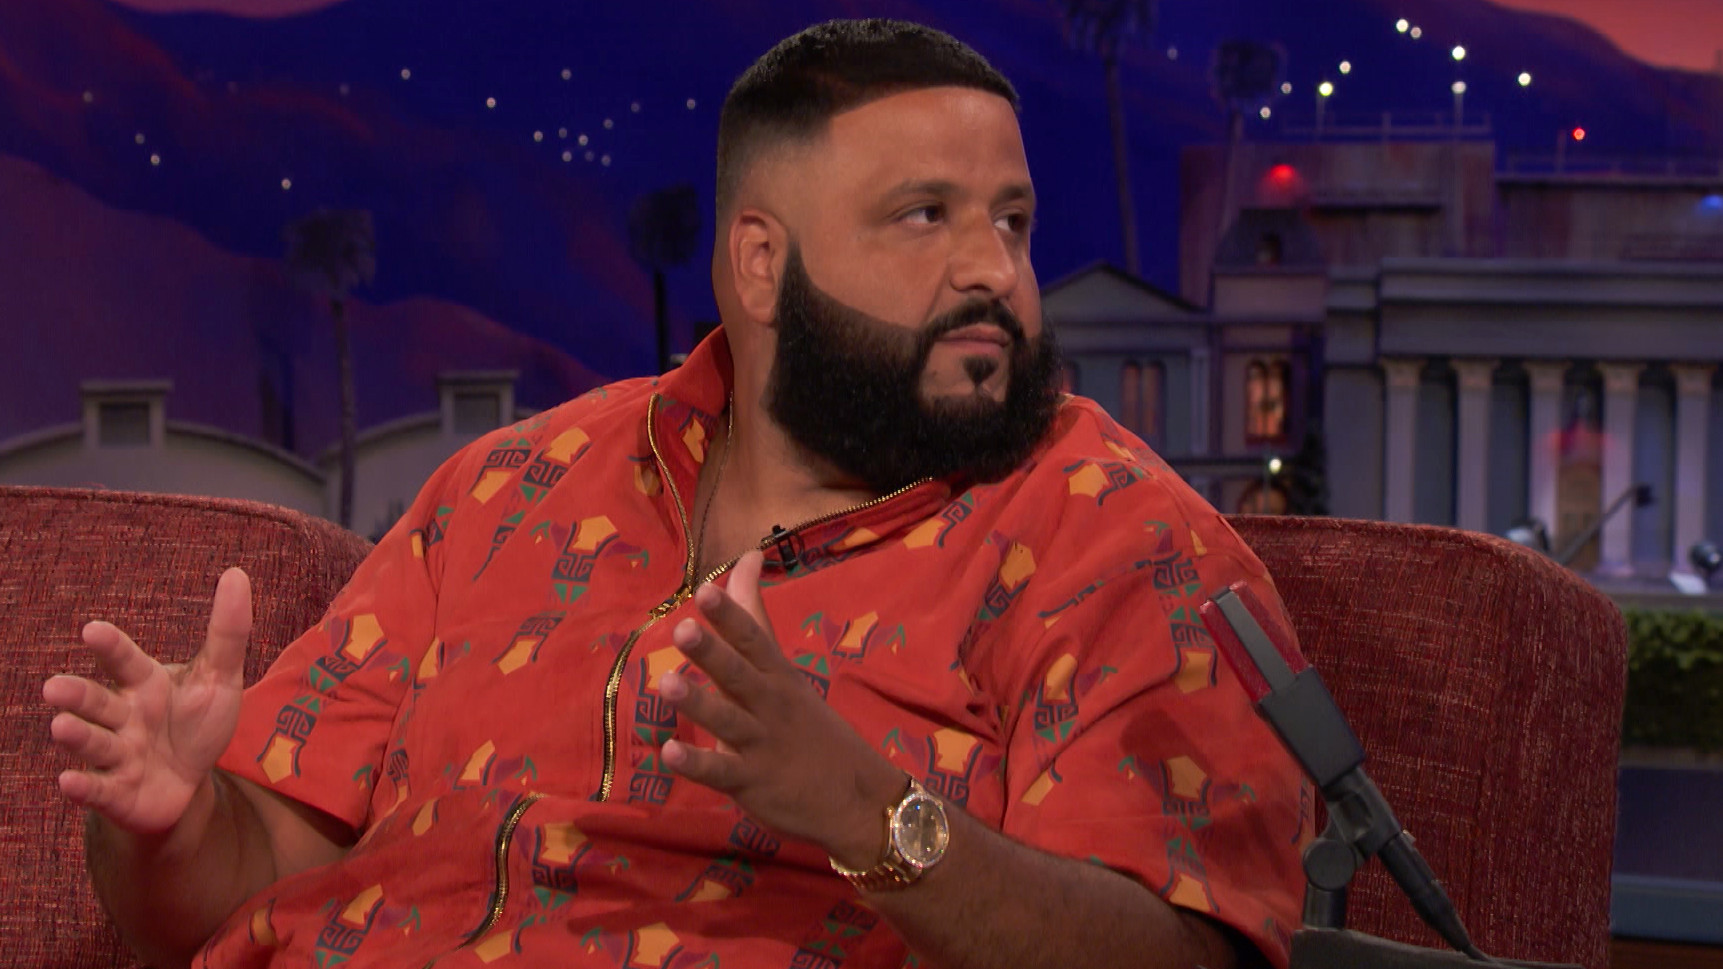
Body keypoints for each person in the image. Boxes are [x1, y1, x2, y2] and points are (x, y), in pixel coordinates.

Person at [43, 19, 1309, 969]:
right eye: (926, 216)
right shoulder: (511, 487)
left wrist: (867, 813)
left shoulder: (1118, 539)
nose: (993, 270)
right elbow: (239, 890)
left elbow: (1182, 956)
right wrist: (170, 825)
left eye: (1014, 222)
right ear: (761, 263)